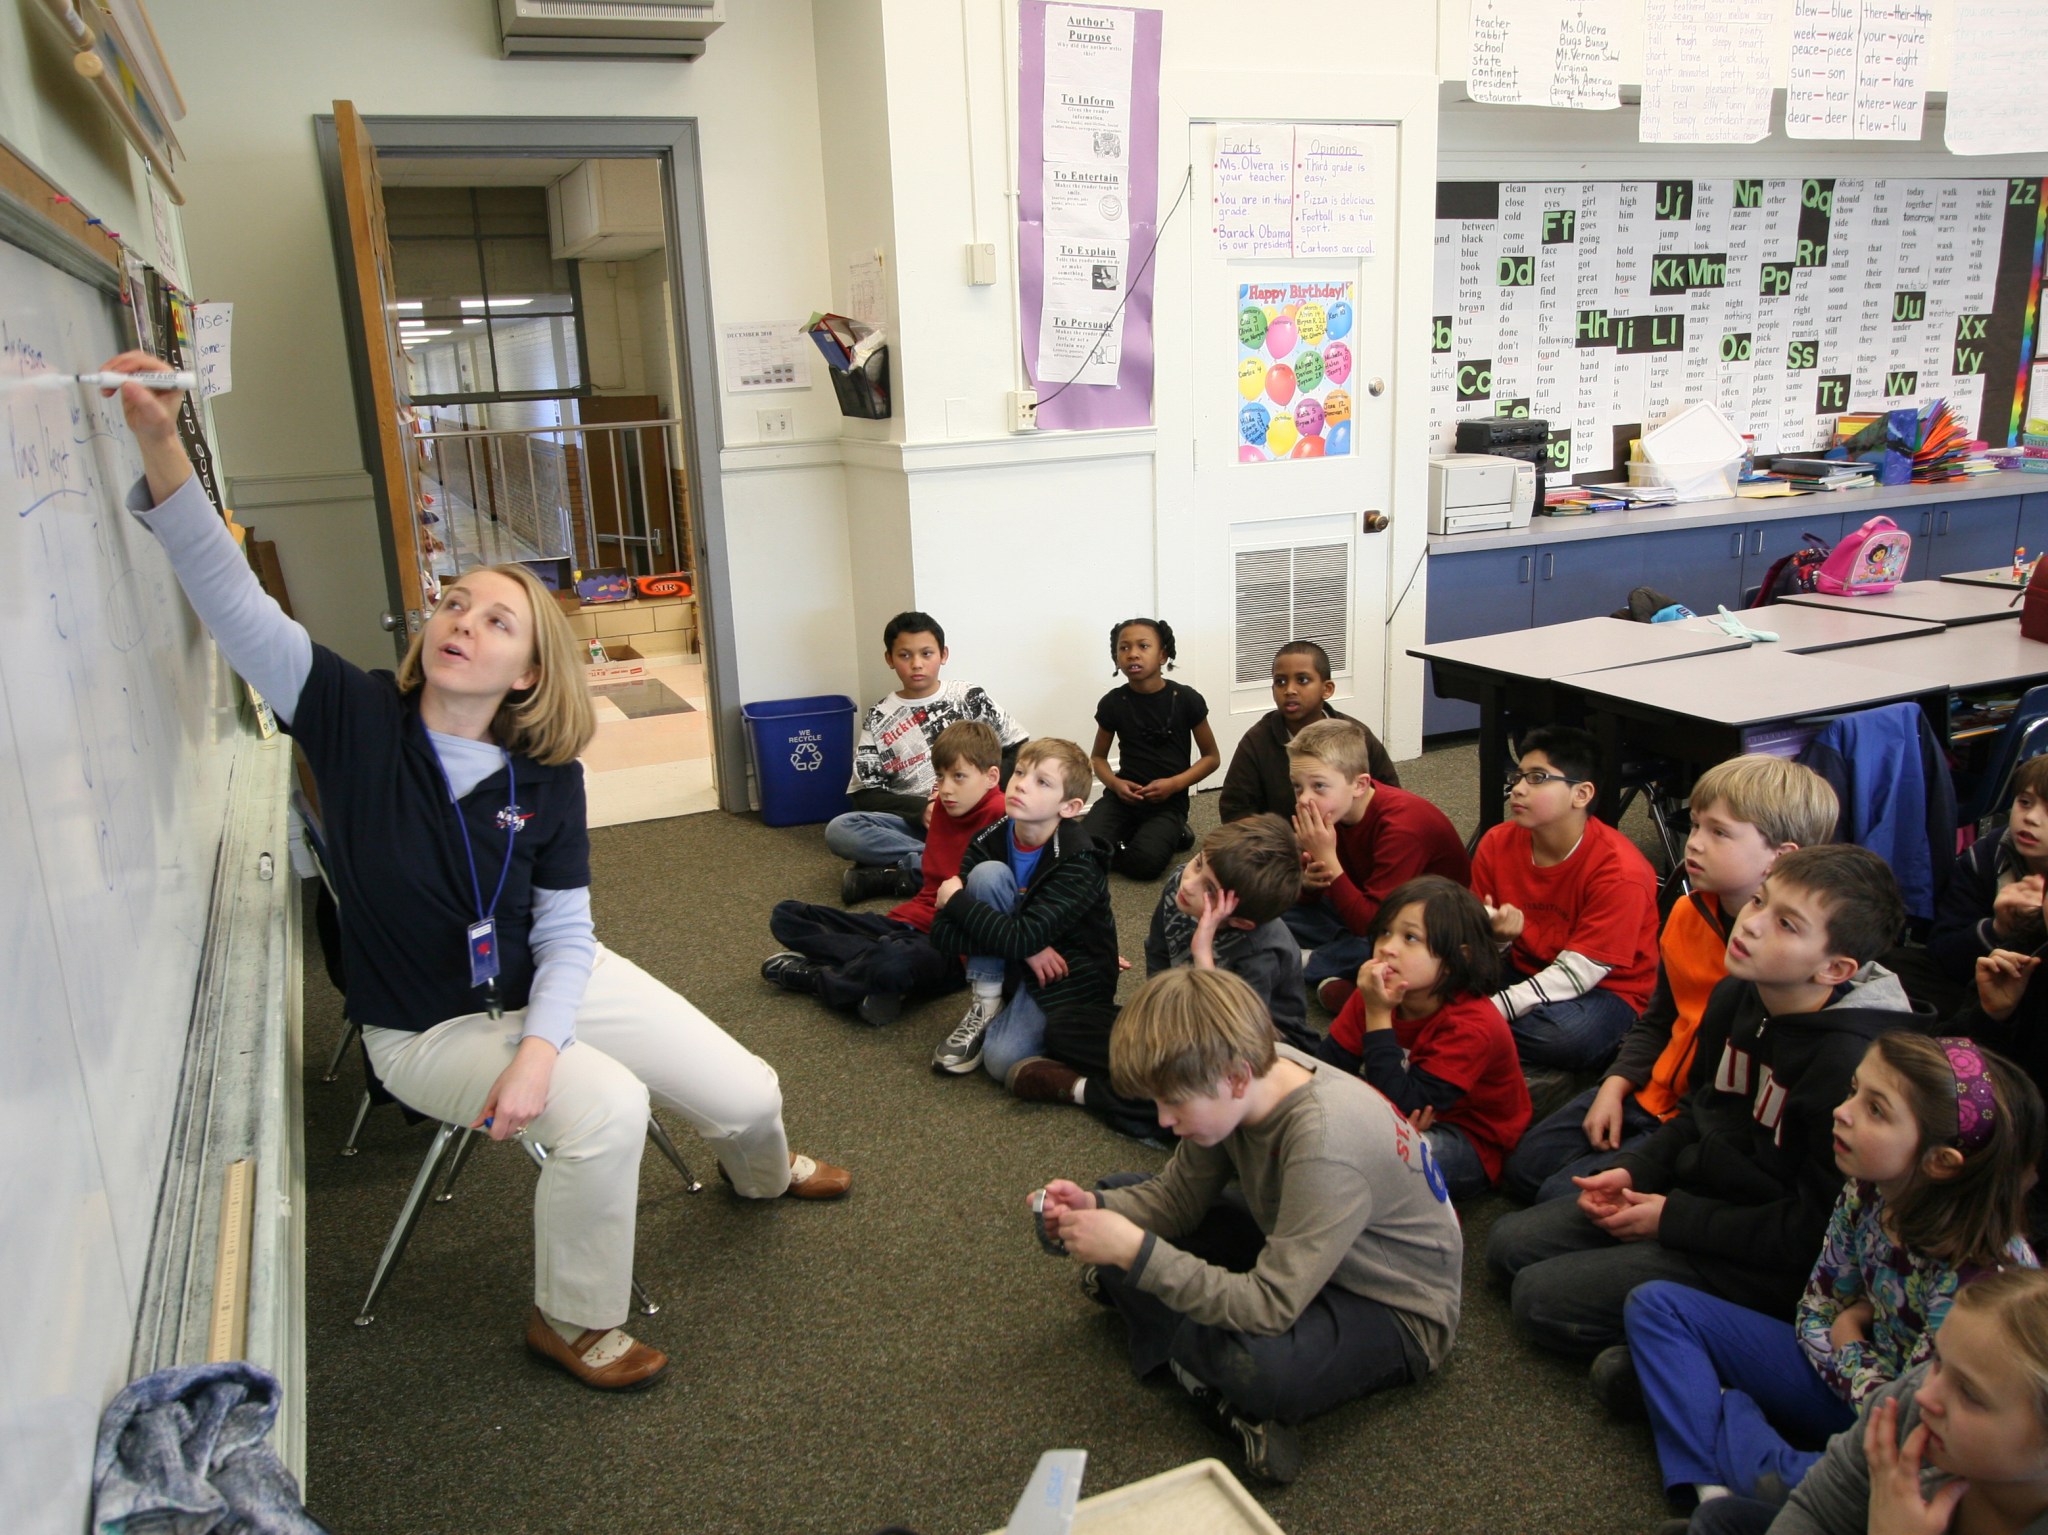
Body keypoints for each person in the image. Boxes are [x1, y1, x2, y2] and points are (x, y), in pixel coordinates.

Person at [98, 353, 848, 1392]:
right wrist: (157, 435)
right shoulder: (354, 717)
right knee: (605, 1108)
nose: (461, 621)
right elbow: (231, 597)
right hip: (429, 1029)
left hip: (543, 986)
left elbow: (568, 934)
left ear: (527, 670)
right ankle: (574, 1319)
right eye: (453, 603)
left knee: (750, 1090)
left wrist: (540, 1040)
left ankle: (762, 1178)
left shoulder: (545, 776)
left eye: (496, 619)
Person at [1486, 845, 1923, 1359]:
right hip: (1703, 1200)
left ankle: (1713, 1343)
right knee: (1507, 1247)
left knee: (1541, 1299)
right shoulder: (1737, 993)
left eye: (1787, 924)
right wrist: (1635, 1170)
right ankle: (1672, 1328)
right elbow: (1699, 1110)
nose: (1753, 924)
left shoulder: (1849, 1065)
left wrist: (1673, 1221)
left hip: (1766, 1257)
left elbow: (1815, 1230)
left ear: (1834, 969)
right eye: (1760, 902)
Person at [1033, 968, 1463, 1486]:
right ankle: (1194, 1360)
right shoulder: (1243, 1079)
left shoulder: (1326, 1144)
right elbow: (1177, 1199)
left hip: (1394, 1305)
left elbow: (1268, 1306)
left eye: (1173, 1103)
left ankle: (1201, 1370)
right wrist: (1093, 1205)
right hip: (1302, 1242)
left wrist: (1134, 1255)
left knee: (1258, 1366)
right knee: (1122, 1194)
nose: (1164, 1120)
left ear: (1236, 1078)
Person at [1615, 1033, 2039, 1515]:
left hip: (1906, 1433)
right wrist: (1844, 1340)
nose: (1844, 1110)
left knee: (1797, 1479)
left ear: (1940, 1162)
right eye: (1854, 1090)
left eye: (1876, 1109)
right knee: (1657, 1306)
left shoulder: (1980, 1277)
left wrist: (1848, 1339)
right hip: (1845, 1378)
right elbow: (1815, 1309)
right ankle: (1711, 1487)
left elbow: (1920, 1420)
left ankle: (1723, 1413)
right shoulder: (1867, 1189)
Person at [1503, 756, 1840, 1203]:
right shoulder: (1686, 911)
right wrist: (1615, 1084)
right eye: (1696, 826)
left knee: (1554, 1196)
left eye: (1718, 832)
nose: (1693, 844)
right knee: (1522, 1171)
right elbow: (1659, 1019)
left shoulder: (1783, 963)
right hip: (1648, 1086)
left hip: (1693, 1117)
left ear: (1781, 858)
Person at [1002, 814, 1309, 1132]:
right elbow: (1159, 955)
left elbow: (1232, 1045)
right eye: (1199, 863)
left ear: (1242, 921)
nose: (1189, 884)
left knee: (1211, 1108)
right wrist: (1154, 1027)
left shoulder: (1262, 952)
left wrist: (1203, 953)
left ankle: (1086, 1091)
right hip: (1181, 1024)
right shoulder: (1181, 887)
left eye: (1210, 891)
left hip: (1245, 1053)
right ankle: (1149, 1082)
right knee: (1063, 1028)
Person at [1688, 1267, 2048, 1535]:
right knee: (1720, 1520)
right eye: (1938, 1361)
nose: (1926, 1395)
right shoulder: (1915, 1399)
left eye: (1969, 1394)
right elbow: (1819, 1508)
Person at [762, 720, 1006, 1025]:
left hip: (951, 945)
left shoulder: (1004, 817)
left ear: (991, 777)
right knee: (787, 915)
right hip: (907, 923)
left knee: (894, 962)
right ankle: (870, 977)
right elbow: (928, 889)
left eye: (959, 777)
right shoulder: (943, 808)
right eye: (941, 777)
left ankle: (817, 978)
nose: (946, 789)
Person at [1316, 875, 1532, 1200]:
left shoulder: (1471, 1024)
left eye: (1410, 938)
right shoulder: (1376, 989)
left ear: (1457, 959)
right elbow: (1329, 1066)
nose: (1388, 947)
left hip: (1470, 1136)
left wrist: (1377, 1015)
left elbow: (1401, 1106)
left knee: (1378, 1159)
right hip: (1401, 1099)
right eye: (1385, 932)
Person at [1469, 724, 1661, 1075]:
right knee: (1426, 975)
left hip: (1604, 990)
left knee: (1563, 1037)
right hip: (1522, 967)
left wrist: (1491, 1009)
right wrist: (1496, 938)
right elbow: (1473, 939)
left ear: (1582, 794)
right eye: (1518, 776)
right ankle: (1476, 1031)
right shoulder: (1496, 842)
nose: (1518, 789)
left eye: (1538, 778)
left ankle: (1464, 1031)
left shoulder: (1621, 871)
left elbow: (1582, 971)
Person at [926, 739, 1118, 1081]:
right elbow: (941, 933)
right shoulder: (989, 838)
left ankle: (1012, 1008)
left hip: (1066, 974)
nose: (1021, 785)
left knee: (1001, 1062)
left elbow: (961, 917)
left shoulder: (1079, 861)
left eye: (1042, 782)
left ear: (1070, 807)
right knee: (988, 875)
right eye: (1020, 772)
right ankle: (986, 1003)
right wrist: (1028, 948)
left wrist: (955, 900)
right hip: (1022, 956)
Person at [827, 611, 1028, 904]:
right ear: (889, 659)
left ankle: (900, 872)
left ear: (943, 654)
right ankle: (936, 862)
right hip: (921, 825)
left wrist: (983, 793)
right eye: (905, 655)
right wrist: (922, 809)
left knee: (1017, 833)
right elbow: (865, 794)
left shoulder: (970, 696)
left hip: (978, 816)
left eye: (926, 653)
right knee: (840, 830)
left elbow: (1018, 749)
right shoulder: (879, 715)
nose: (917, 664)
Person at [1281, 718, 1470, 1008]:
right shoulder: (1335, 811)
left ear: (1359, 785)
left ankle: (1308, 963)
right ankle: (1346, 973)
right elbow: (1326, 895)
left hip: (1421, 928)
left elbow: (1372, 924)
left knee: (1384, 947)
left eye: (1319, 786)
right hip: (1364, 905)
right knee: (1268, 897)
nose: (1304, 799)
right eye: (1297, 787)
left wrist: (1327, 856)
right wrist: (1307, 883)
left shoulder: (1402, 826)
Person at [1081, 617, 1221, 881]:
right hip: (1124, 796)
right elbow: (1097, 758)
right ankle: (1131, 836)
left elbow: (1212, 758)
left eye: (1143, 646)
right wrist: (1114, 784)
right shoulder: (1113, 703)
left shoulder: (1187, 699)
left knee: (1145, 865)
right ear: (1116, 657)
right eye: (1124, 648)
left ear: (1162, 655)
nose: (1132, 653)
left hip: (1169, 801)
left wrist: (1175, 784)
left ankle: (1172, 832)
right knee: (1084, 848)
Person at [1917, 754, 2048, 1015]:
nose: (2031, 818)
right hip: (1992, 989)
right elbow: (1943, 952)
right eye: (2024, 802)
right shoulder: (1988, 855)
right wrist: (1997, 928)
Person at [1217, 640, 1398, 823]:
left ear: (1326, 689)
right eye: (1280, 682)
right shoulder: (1257, 741)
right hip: (1283, 844)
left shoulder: (1356, 736)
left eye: (1302, 680)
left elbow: (1390, 796)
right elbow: (1234, 811)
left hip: (1349, 841)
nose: (1289, 690)